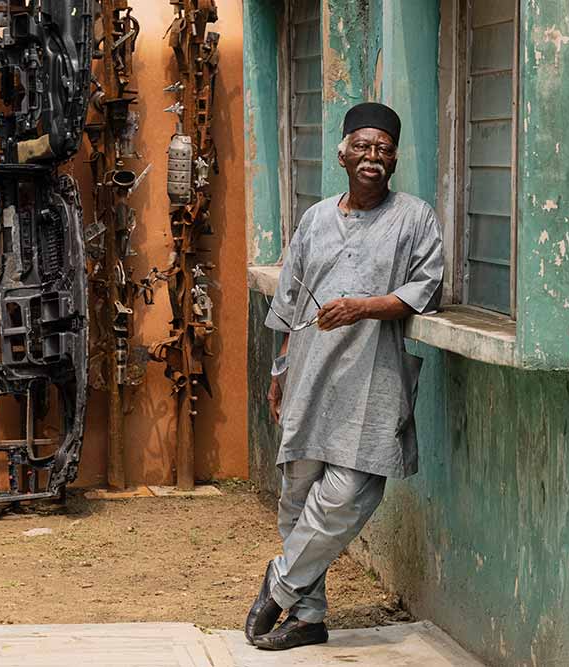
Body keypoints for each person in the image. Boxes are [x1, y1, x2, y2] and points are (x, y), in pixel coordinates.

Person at [245, 102, 444, 651]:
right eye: (362, 146)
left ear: (395, 158)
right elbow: (288, 301)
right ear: (342, 152)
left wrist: (362, 307)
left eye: (383, 149)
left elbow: (424, 289)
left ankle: (280, 585)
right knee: (297, 495)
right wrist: (279, 371)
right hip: (309, 372)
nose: (372, 158)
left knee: (350, 493)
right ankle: (308, 619)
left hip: (373, 378)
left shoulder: (414, 217)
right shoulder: (314, 220)